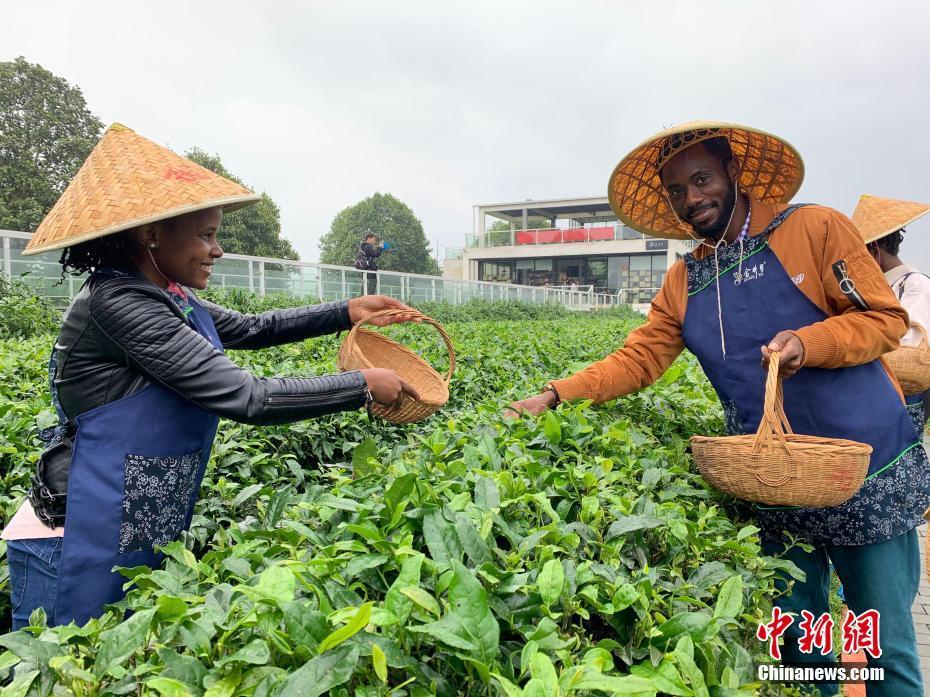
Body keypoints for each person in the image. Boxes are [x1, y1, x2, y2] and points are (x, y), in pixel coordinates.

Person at [510, 121, 930, 696]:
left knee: (882, 647)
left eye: (702, 179)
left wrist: (812, 342)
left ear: (734, 172)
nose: (692, 199)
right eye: (678, 191)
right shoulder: (687, 278)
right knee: (798, 651)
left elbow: (884, 320)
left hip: (865, 467)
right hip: (771, 478)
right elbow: (639, 358)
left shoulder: (814, 228)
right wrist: (557, 395)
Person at [3, 124, 421, 629]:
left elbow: (250, 327)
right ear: (151, 234)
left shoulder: (166, 296)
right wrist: (361, 385)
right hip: (73, 534)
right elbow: (248, 397)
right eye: (207, 235)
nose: (218, 250)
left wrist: (345, 310)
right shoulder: (121, 304)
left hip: (133, 517)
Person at [852, 194, 930, 429]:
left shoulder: (915, 285)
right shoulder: (880, 289)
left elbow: (912, 345)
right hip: (880, 396)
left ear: (874, 250)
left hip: (906, 400)